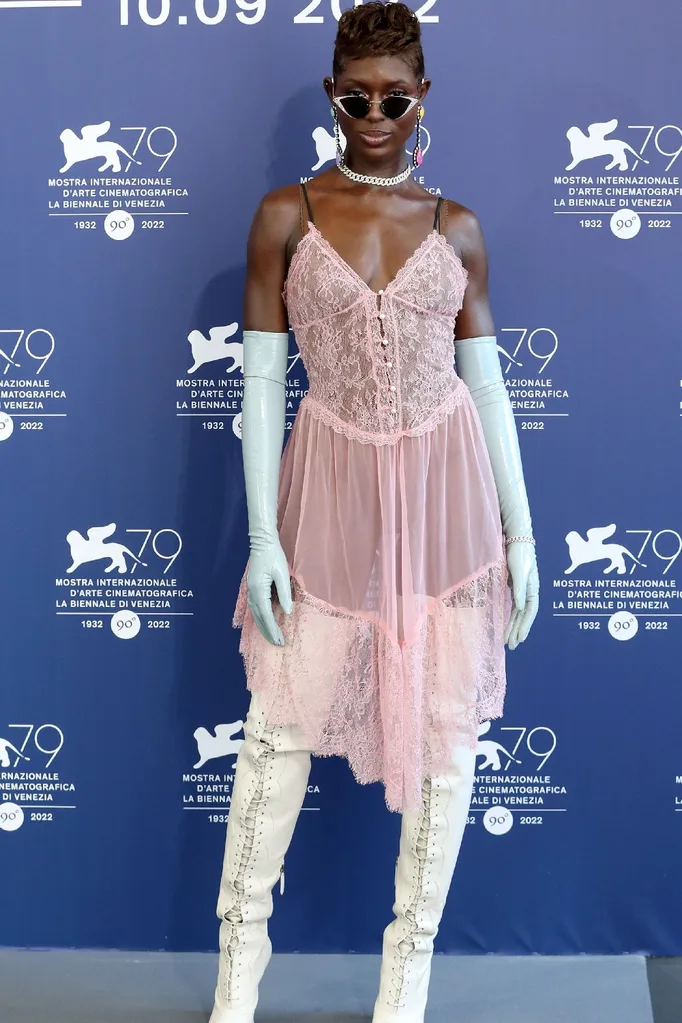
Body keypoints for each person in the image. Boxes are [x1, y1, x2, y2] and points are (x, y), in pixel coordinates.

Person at [209, 4, 539, 1021]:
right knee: (274, 738)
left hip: (445, 510)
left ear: (422, 97)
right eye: (357, 98)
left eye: (395, 98)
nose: (376, 116)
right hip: (328, 498)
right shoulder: (286, 215)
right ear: (332, 95)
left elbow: (487, 389)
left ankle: (405, 993)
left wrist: (521, 533)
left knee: (445, 747)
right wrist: (263, 536)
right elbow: (261, 384)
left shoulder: (456, 227)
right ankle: (234, 989)